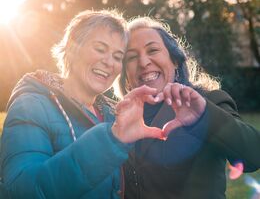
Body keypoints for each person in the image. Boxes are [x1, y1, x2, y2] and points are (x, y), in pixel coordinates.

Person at [0, 10, 163, 199]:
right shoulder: (30, 106)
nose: (109, 62)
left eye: (118, 57)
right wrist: (111, 140)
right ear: (72, 47)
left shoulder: (115, 114)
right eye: (100, 49)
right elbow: (23, 191)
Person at [119, 16, 260, 199]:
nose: (143, 62)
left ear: (175, 60)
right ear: (126, 75)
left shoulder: (209, 101)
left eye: (152, 50)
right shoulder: (121, 118)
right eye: (131, 56)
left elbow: (253, 155)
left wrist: (204, 117)